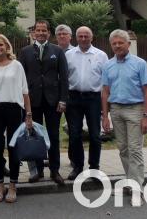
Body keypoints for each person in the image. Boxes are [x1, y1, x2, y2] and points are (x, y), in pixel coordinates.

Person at [0, 34, 32, 204]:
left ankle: (13, 186)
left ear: (7, 46)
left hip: (14, 109)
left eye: (1, 44)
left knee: (13, 147)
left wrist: (29, 115)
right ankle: (0, 185)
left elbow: (25, 91)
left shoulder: (17, 66)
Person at [17, 20, 69, 185]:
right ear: (33, 33)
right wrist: (23, 103)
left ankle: (55, 170)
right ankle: (37, 171)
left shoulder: (58, 51)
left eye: (43, 30)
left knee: (53, 136)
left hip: (53, 101)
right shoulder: (24, 52)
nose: (40, 33)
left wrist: (63, 99)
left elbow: (64, 77)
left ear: (48, 33)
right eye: (37, 30)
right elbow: (21, 78)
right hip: (33, 100)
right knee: (35, 136)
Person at [101, 29, 147, 193]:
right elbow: (105, 92)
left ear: (128, 44)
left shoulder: (140, 63)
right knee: (123, 149)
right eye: (114, 43)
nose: (117, 46)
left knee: (135, 149)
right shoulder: (108, 65)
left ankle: (137, 187)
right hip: (116, 110)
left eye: (120, 43)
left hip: (135, 110)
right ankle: (130, 181)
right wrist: (105, 116)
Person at [65, 26, 109, 180]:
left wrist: (105, 107)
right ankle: (77, 166)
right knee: (75, 134)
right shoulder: (69, 55)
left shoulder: (101, 55)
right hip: (74, 98)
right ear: (76, 38)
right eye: (80, 36)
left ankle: (94, 168)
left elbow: (106, 81)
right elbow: (64, 78)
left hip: (93, 99)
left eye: (86, 36)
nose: (83, 39)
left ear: (92, 37)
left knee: (95, 135)